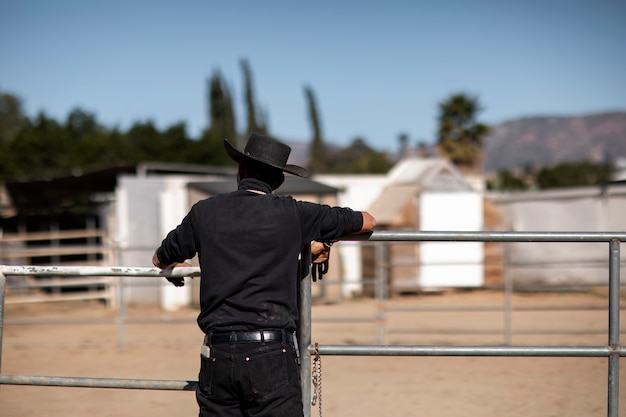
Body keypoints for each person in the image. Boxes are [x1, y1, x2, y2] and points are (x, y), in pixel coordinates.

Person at [152, 133, 376, 417]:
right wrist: (325, 240)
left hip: (217, 351)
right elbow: (367, 220)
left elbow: (160, 257)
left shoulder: (204, 211)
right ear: (278, 181)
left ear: (240, 170)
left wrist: (176, 265)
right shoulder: (294, 213)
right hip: (271, 352)